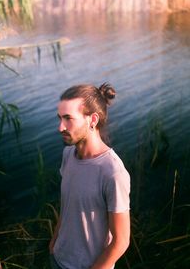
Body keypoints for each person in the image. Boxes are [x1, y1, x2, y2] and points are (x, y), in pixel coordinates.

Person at [49, 83, 130, 269]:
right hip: (58, 258)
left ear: (92, 120)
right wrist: (54, 242)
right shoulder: (68, 155)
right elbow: (68, 205)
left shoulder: (113, 172)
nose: (60, 127)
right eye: (59, 118)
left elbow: (121, 241)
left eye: (68, 118)